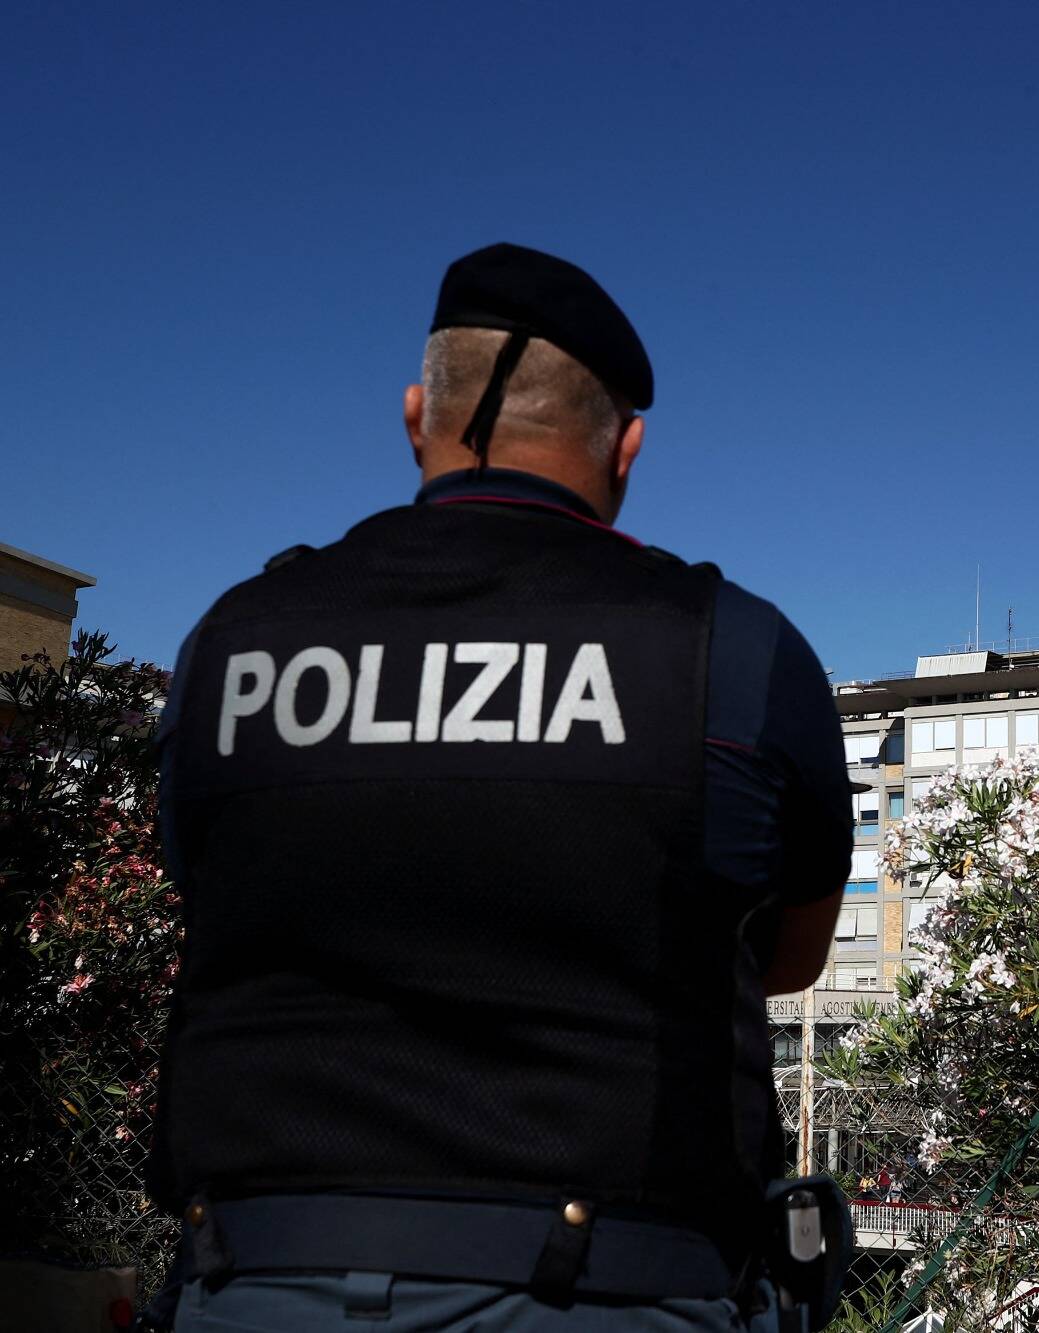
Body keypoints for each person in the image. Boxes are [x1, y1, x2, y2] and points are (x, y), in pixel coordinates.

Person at [146, 243, 853, 1332]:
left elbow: (213, 898)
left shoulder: (230, 643)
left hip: (252, 1278)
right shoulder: (733, 652)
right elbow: (789, 958)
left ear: (416, 414)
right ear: (627, 446)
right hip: (619, 1288)